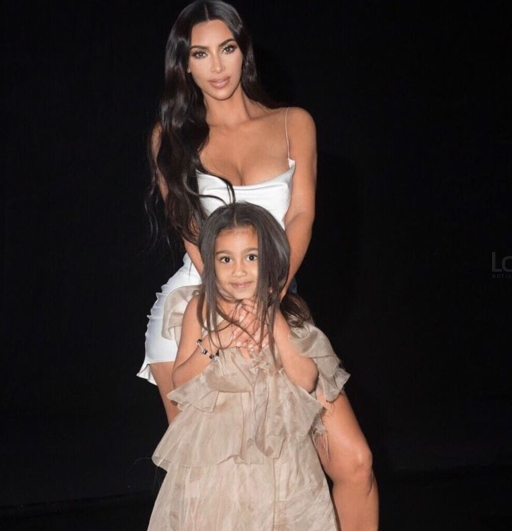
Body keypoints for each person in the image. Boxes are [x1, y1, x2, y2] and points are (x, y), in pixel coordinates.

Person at [138, 1, 378, 529]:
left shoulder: (293, 124)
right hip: (197, 313)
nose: (216, 66)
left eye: (226, 48)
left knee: (355, 464)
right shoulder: (170, 137)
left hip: (274, 298)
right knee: (212, 498)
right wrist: (231, 313)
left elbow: (301, 216)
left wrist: (268, 300)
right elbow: (193, 235)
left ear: (242, 51)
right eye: (200, 54)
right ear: (184, 65)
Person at [147, 202, 345, 530]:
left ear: (271, 259)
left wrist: (275, 325)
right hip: (219, 455)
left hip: (278, 453)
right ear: (210, 262)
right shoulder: (200, 307)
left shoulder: (283, 309)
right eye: (226, 259)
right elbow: (179, 382)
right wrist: (214, 342)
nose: (239, 270)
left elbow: (307, 379)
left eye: (251, 257)